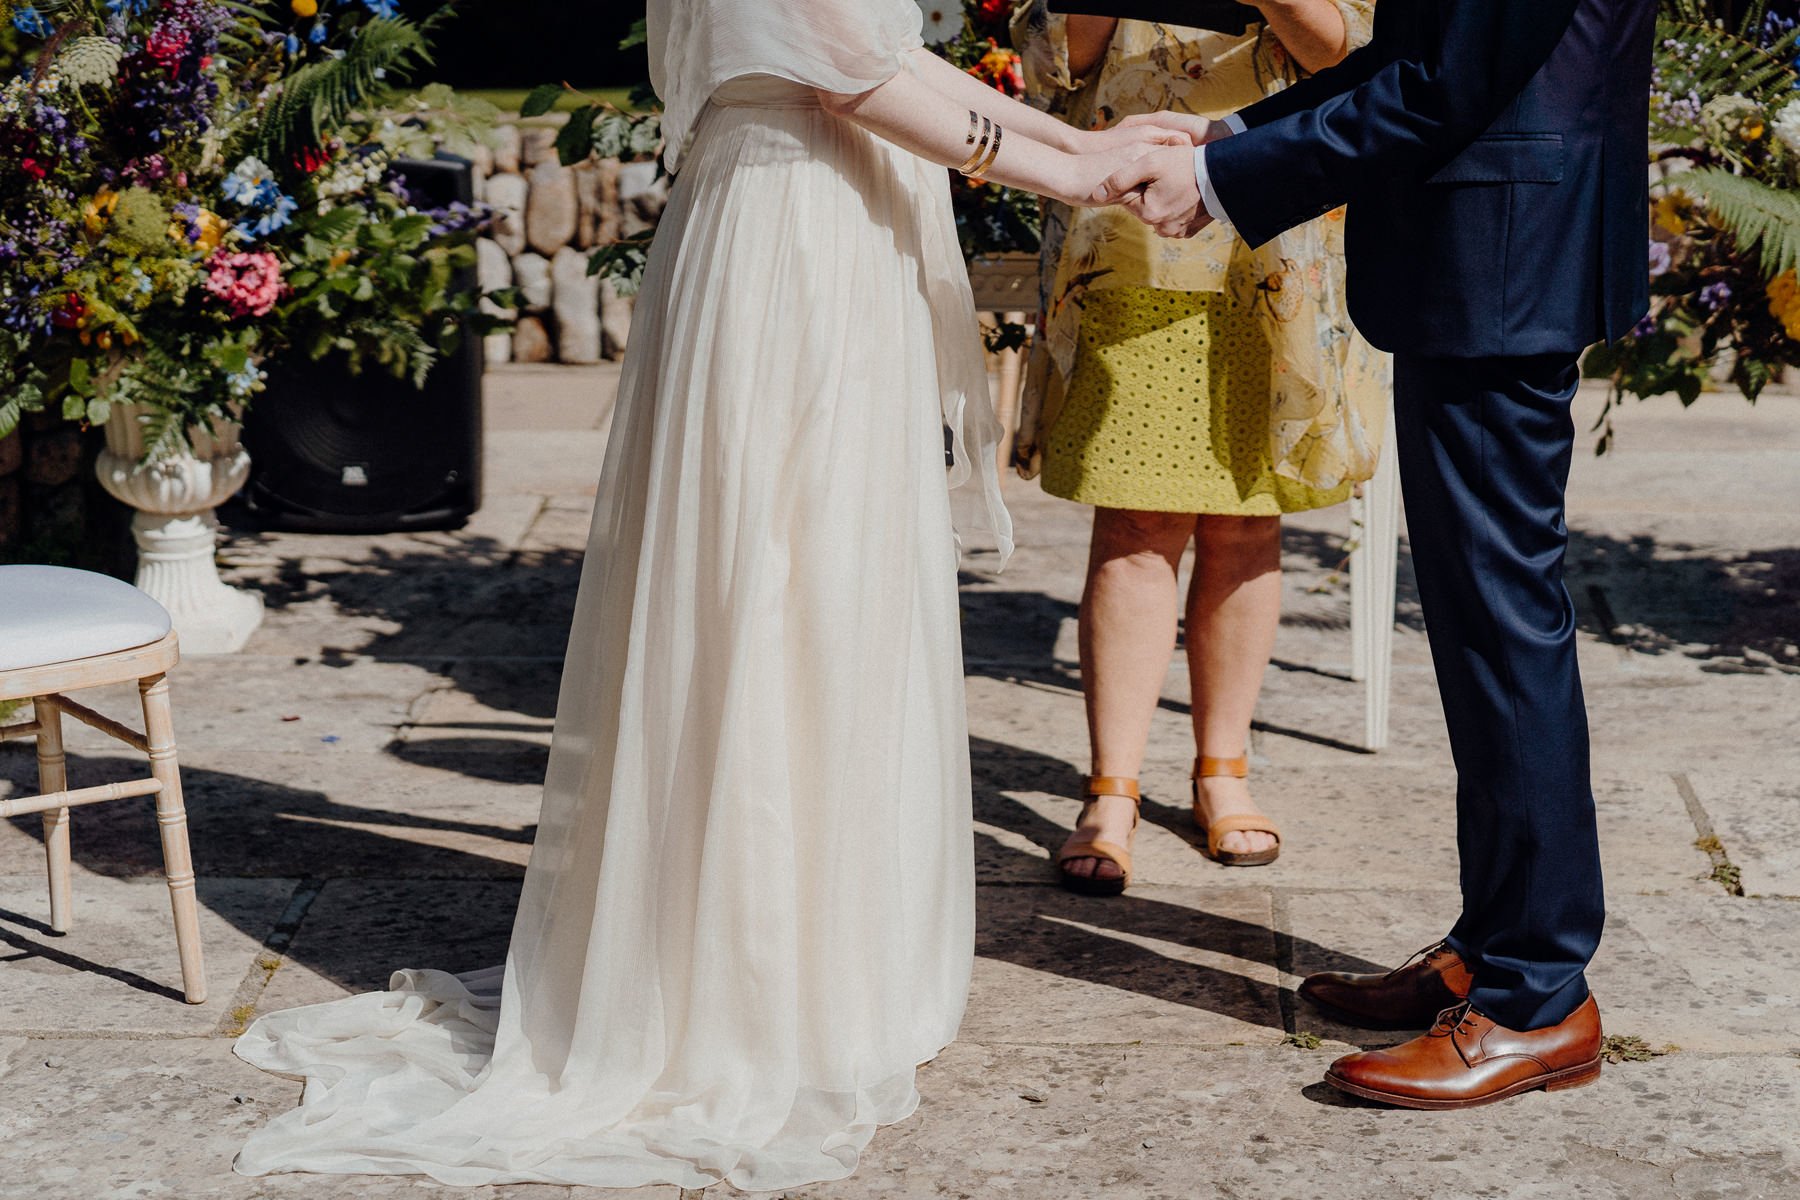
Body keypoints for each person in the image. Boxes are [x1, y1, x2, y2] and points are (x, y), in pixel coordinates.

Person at [230, 0, 1181, 1190]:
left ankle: (817, 964)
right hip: (797, 225)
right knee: (778, 603)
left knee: (830, 601)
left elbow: (889, 59)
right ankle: (752, 983)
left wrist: (1081, 155)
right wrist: (1077, 164)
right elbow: (846, 68)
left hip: (831, 212)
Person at [1098, 0, 1655, 1107]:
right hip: (1488, 258)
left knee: (1503, 627)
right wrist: (1232, 136)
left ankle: (1540, 999)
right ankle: (1493, 950)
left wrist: (1223, 185)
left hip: (1508, 260)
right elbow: (1424, 55)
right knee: (1479, 623)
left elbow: (1447, 88)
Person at [1009, 3, 1387, 896]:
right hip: (1131, 232)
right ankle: (1112, 789)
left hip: (1283, 239)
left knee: (1248, 523)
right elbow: (1050, 61)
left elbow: (1363, 53)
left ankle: (1224, 769)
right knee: (1135, 520)